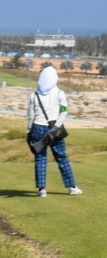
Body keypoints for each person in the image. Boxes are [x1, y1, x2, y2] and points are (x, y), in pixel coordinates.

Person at [27, 66, 82, 197]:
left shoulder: (34, 95)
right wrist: (56, 127)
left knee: (40, 159)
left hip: (37, 128)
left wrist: (28, 131)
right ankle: (72, 187)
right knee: (61, 157)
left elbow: (30, 116)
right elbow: (64, 111)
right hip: (54, 129)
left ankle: (41, 190)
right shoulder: (59, 93)